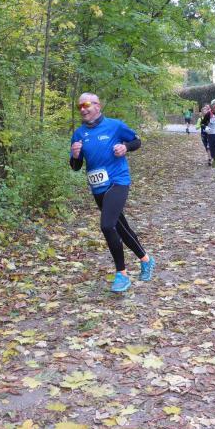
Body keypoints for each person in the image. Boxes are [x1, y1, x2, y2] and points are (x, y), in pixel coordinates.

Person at [70, 93, 155, 292]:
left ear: (97, 106)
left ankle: (121, 275)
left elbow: (137, 141)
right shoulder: (79, 134)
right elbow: (75, 166)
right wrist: (75, 155)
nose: (82, 109)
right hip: (97, 187)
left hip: (118, 181)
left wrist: (125, 147)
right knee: (121, 227)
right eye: (79, 106)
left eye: (86, 104)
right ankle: (146, 260)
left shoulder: (115, 126)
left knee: (107, 225)